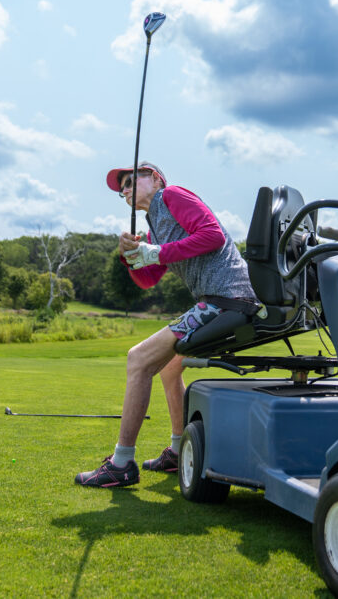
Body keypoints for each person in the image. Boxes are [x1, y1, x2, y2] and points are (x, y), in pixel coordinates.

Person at [74, 161, 257, 487]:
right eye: (122, 189)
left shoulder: (172, 195)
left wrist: (154, 252)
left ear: (155, 178)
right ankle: (177, 451)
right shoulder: (154, 222)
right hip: (215, 300)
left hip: (227, 298)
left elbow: (213, 236)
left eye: (131, 181)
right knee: (171, 368)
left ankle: (121, 463)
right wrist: (131, 256)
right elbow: (147, 280)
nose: (126, 190)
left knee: (139, 358)